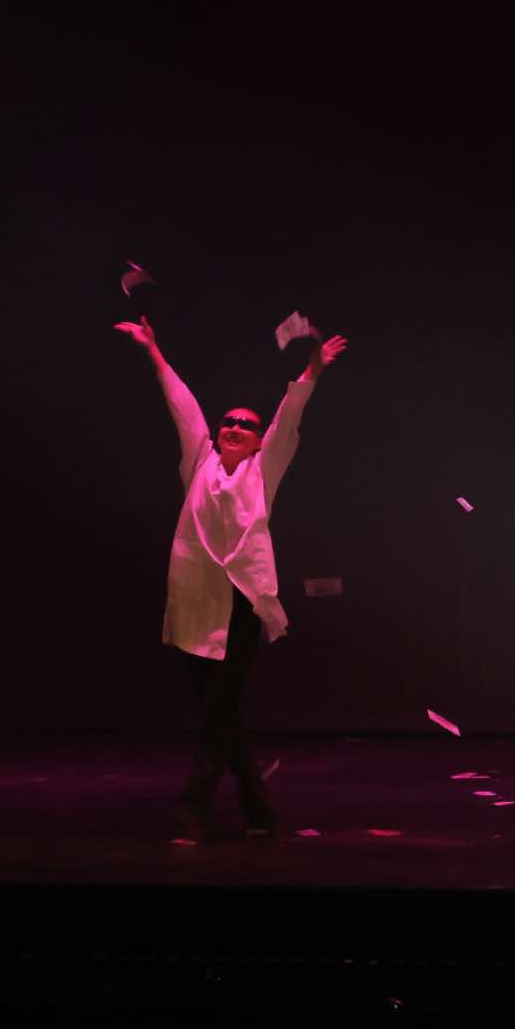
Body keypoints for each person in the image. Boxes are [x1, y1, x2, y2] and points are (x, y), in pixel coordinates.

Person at [116, 314, 347, 842]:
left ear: (260, 441)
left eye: (246, 424)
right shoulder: (198, 461)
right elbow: (182, 406)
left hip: (241, 604)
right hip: (195, 603)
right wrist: (153, 349)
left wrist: (313, 369)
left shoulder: (263, 471)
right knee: (221, 711)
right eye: (229, 421)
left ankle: (192, 808)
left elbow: (289, 417)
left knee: (217, 711)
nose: (235, 426)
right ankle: (259, 810)